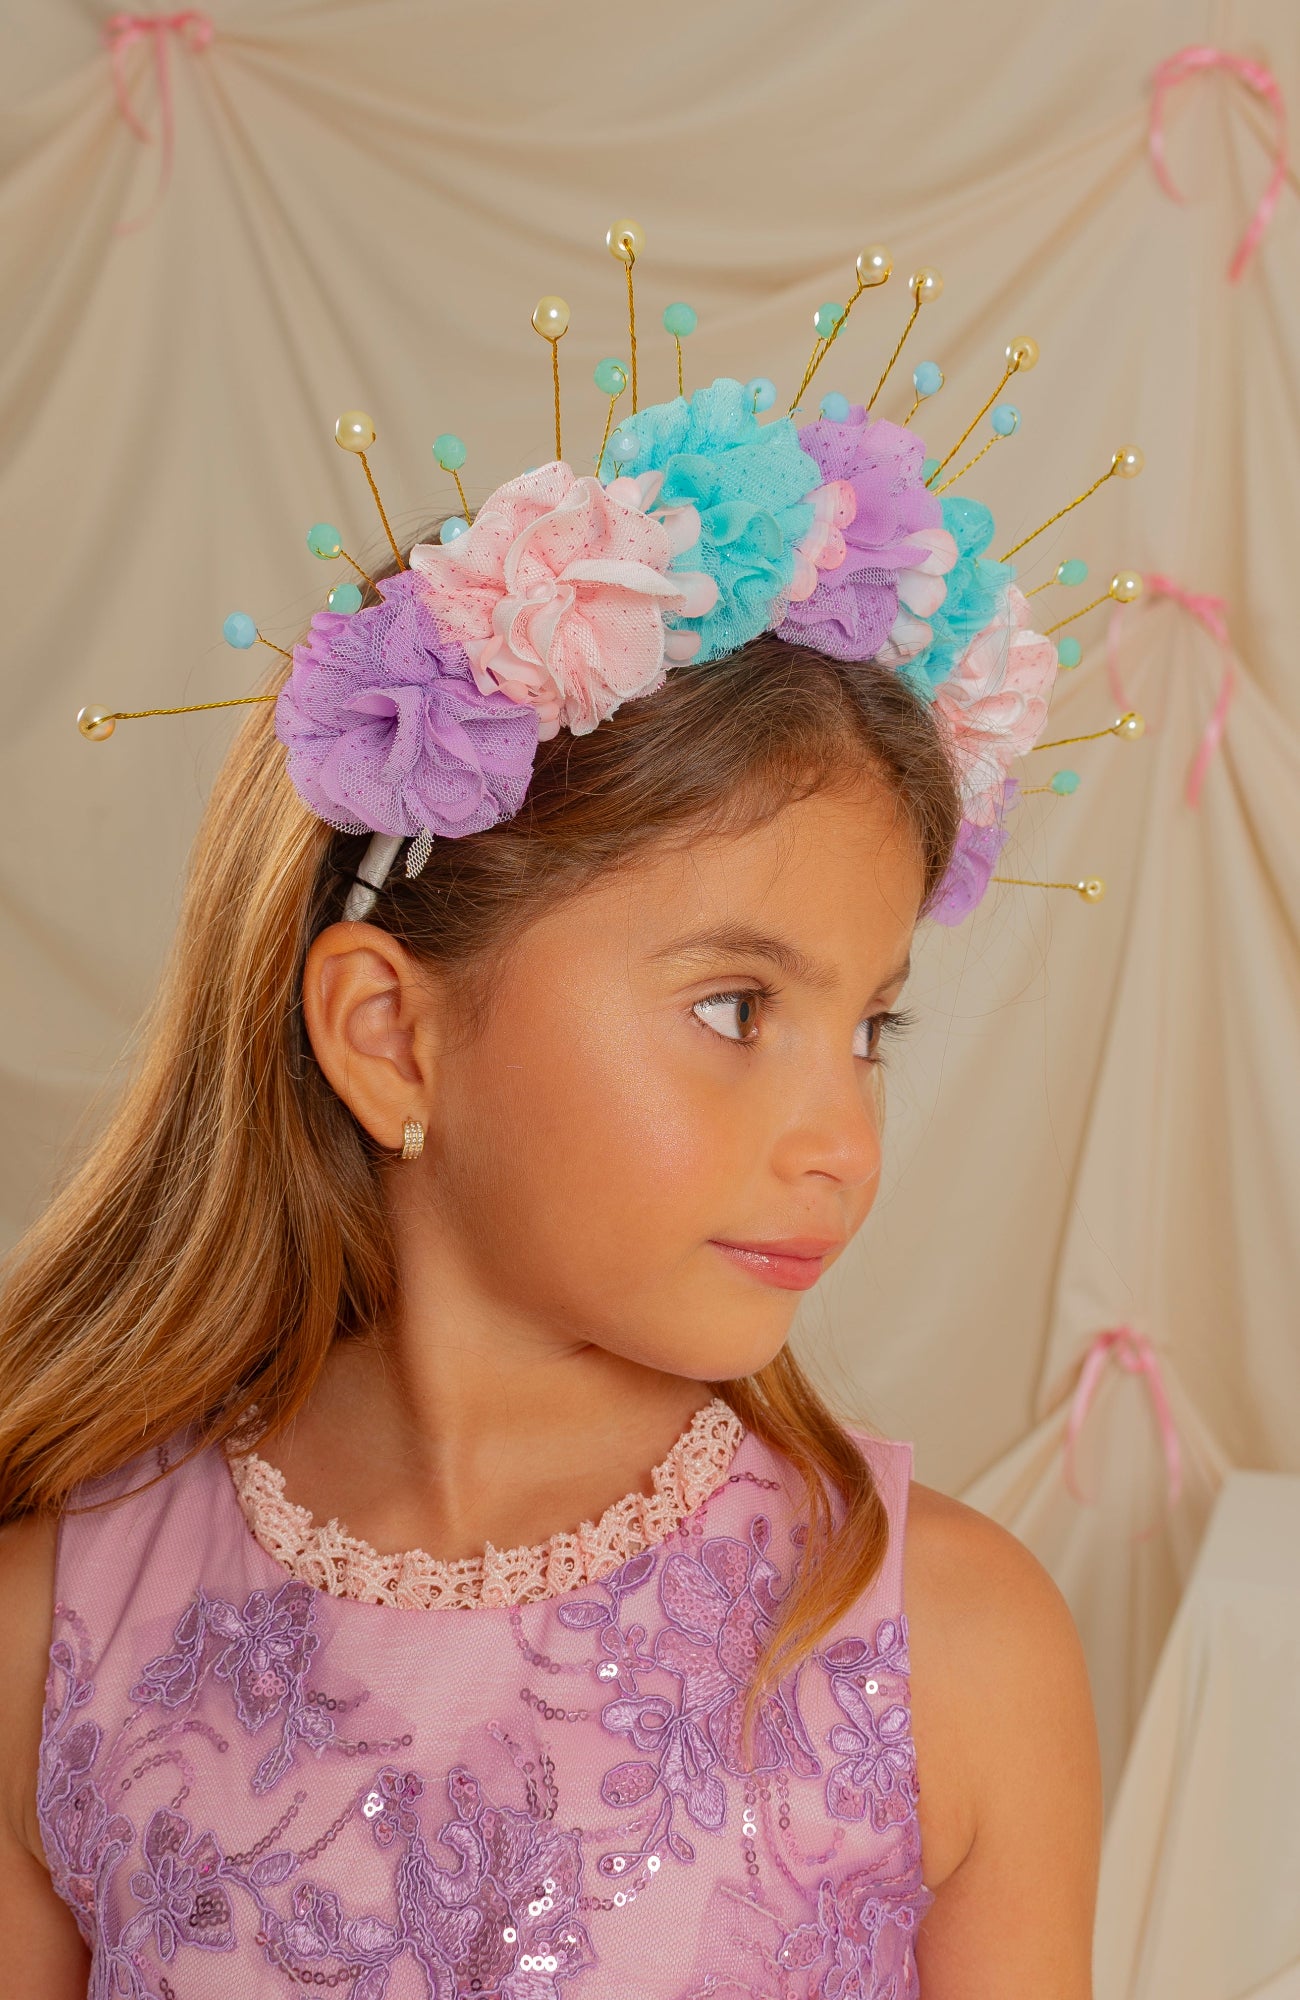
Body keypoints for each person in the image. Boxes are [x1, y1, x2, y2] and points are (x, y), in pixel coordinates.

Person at [0, 365, 1101, 1997]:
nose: (844, 1142)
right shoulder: (54, 1635)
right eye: (736, 1010)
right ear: (392, 1037)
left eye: (870, 1028)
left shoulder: (948, 1649)